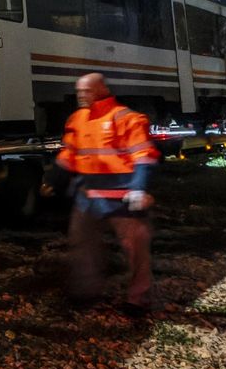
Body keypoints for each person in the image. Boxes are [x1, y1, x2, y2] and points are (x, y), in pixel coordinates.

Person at [52, 72, 158, 317]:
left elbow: (143, 157)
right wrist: (53, 178)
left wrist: (139, 188)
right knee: (82, 245)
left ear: (100, 90)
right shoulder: (78, 119)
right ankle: (85, 292)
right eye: (78, 92)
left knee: (135, 248)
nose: (80, 96)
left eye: (85, 91)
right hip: (89, 195)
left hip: (122, 197)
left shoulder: (126, 119)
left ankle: (138, 299)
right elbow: (70, 154)